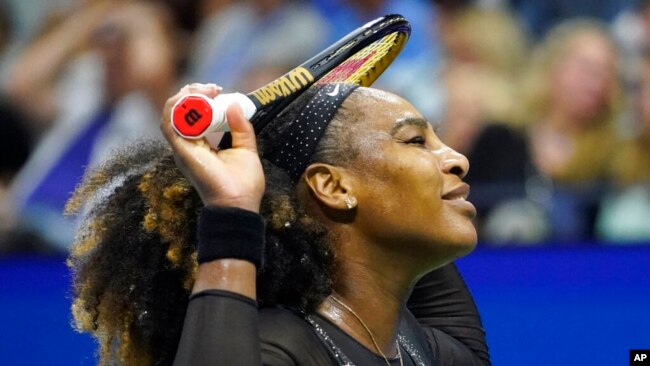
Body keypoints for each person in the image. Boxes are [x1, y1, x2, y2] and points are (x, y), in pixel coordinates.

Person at [67, 81, 490, 365]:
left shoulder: (420, 349)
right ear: (332, 186)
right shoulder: (276, 347)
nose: (458, 158)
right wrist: (232, 205)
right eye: (416, 141)